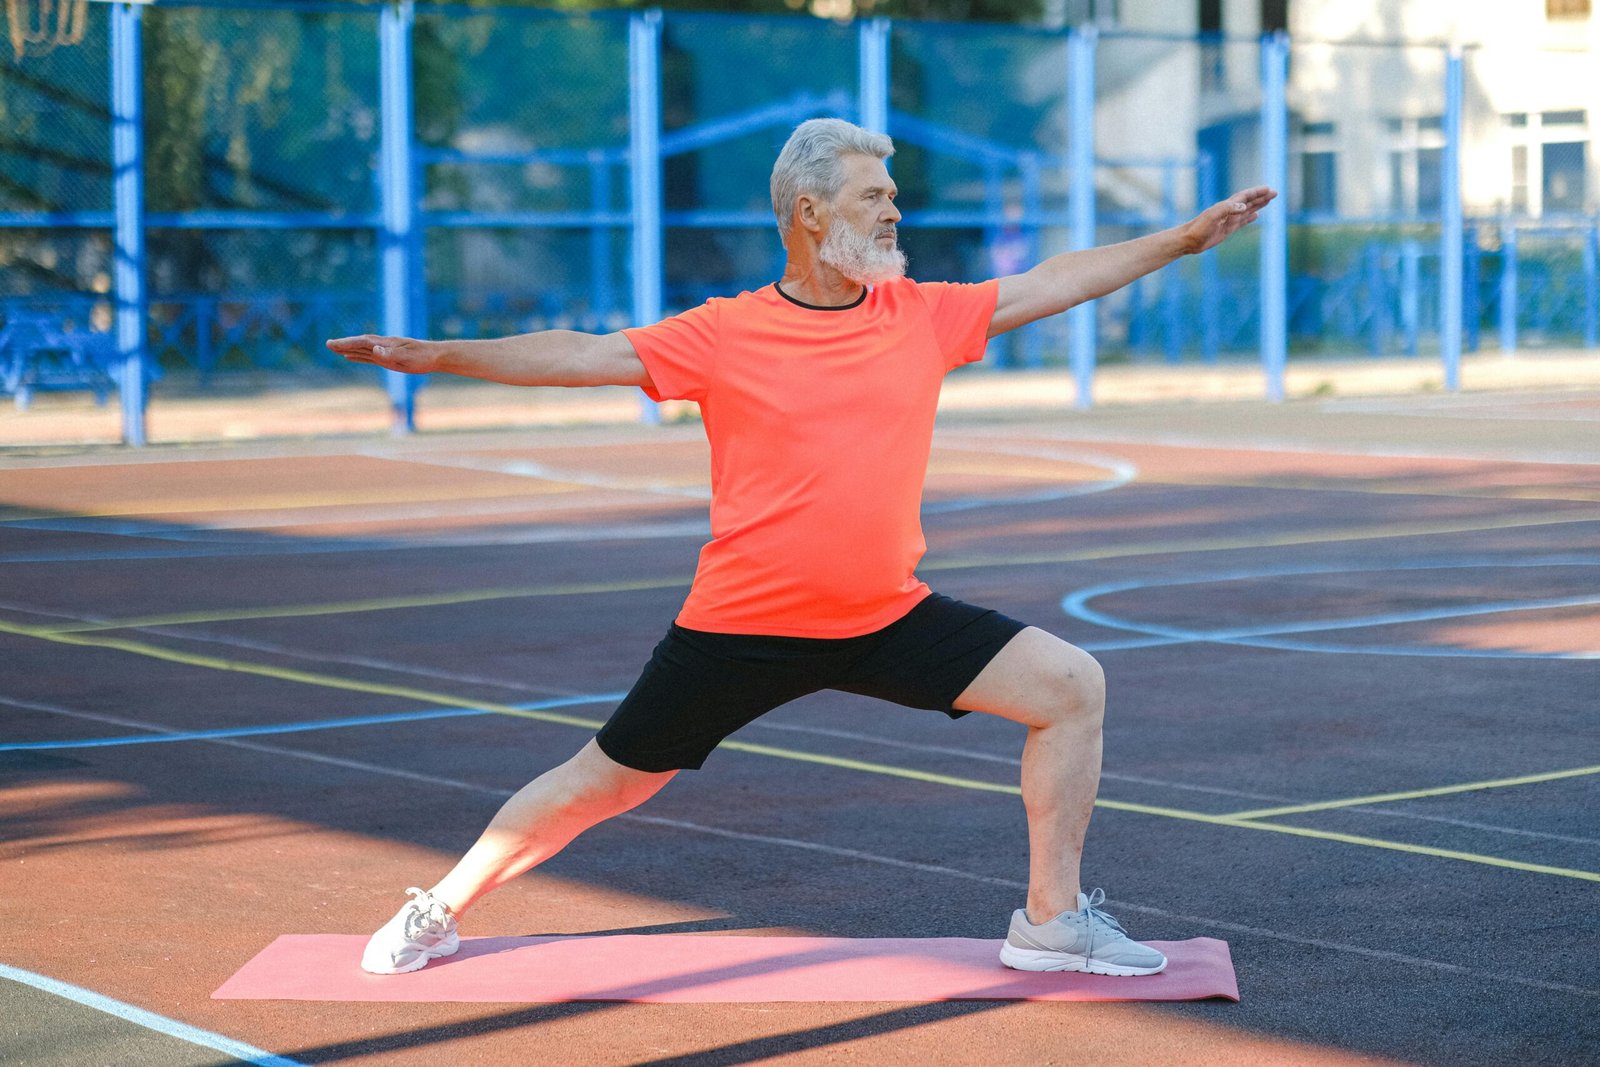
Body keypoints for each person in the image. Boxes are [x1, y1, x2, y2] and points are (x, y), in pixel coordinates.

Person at [328, 118, 1273, 978]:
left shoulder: (921, 317)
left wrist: (1182, 239)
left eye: (893, 196)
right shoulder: (726, 332)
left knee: (1071, 685)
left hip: (884, 614)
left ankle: (1050, 922)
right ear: (811, 214)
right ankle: (440, 905)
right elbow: (583, 352)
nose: (894, 211)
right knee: (601, 784)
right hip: (741, 625)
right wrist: (442, 356)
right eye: (875, 196)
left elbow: (1055, 279)